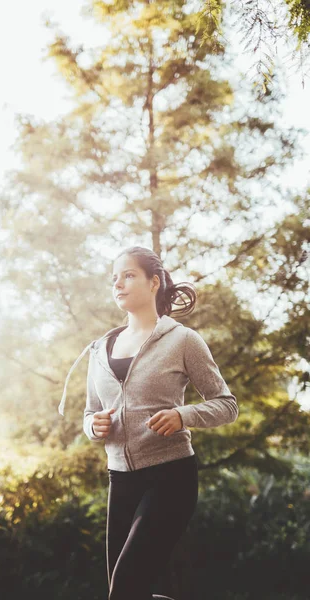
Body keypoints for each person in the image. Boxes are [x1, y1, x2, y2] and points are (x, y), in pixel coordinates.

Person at [58, 246, 239, 600]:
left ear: (154, 282)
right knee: (124, 593)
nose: (118, 284)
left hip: (171, 477)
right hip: (120, 479)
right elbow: (89, 412)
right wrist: (92, 425)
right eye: (114, 278)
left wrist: (182, 415)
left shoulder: (183, 340)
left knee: (126, 588)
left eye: (128, 275)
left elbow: (226, 405)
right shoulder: (100, 349)